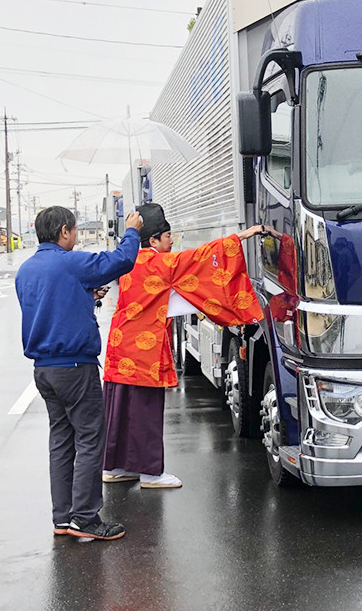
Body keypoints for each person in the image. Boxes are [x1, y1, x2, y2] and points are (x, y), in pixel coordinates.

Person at [102, 202, 264, 489]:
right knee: (146, 412)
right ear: (152, 240)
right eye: (167, 237)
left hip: (120, 344)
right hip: (144, 350)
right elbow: (201, 257)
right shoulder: (159, 264)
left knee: (120, 408)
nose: (172, 241)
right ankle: (151, 473)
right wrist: (241, 236)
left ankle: (115, 467)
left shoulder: (127, 261)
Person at [15, 205, 143, 541]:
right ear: (63, 232)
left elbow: (50, 306)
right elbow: (120, 262)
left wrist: (87, 294)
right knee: (89, 437)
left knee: (61, 440)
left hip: (44, 369)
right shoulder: (70, 262)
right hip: (74, 365)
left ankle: (63, 517)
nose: (74, 236)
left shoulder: (26, 270)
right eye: (73, 230)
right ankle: (85, 518)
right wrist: (132, 231)